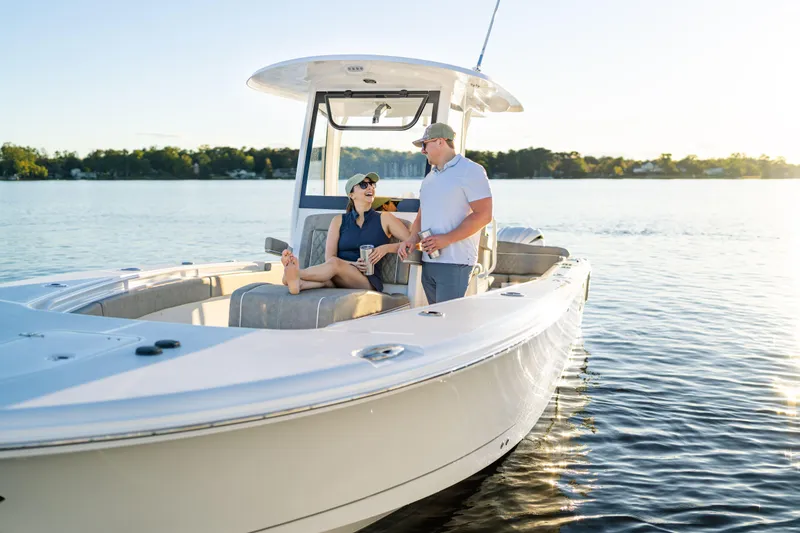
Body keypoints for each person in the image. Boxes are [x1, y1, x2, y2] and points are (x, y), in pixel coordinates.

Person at [398, 123, 493, 303]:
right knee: (435, 320)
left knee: (448, 322)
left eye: (425, 145)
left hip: (455, 262)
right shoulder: (429, 178)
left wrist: (446, 239)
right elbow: (422, 213)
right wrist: (411, 240)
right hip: (429, 262)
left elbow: (483, 215)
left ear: (440, 142)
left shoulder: (471, 170)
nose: (422, 151)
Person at [282, 172, 411, 295]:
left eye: (372, 184)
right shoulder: (338, 221)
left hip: (367, 280)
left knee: (334, 265)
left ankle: (294, 273)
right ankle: (298, 283)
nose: (370, 187)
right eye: (363, 185)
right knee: (327, 278)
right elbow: (329, 258)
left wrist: (386, 248)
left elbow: (414, 243)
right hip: (338, 277)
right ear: (351, 195)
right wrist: (352, 264)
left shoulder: (385, 218)